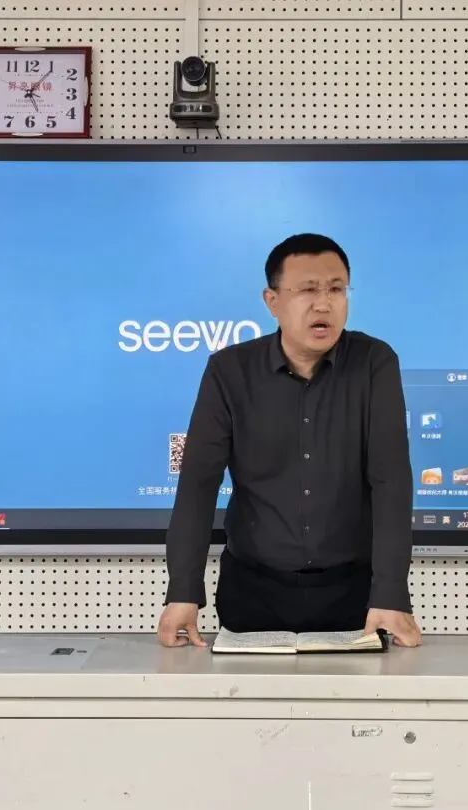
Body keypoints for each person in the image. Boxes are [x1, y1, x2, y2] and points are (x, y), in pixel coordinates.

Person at [157, 233, 421, 649]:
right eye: (308, 290)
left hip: (352, 592)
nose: (324, 304)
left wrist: (390, 593)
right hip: (252, 591)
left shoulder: (375, 362)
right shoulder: (229, 371)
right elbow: (198, 485)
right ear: (272, 301)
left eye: (336, 289)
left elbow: (390, 481)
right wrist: (183, 591)